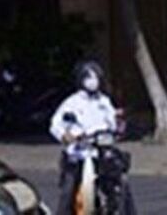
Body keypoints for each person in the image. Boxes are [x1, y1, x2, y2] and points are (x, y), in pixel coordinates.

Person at [49, 59, 122, 215]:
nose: (93, 81)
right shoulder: (72, 102)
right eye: (89, 77)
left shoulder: (104, 101)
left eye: (96, 77)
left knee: (120, 183)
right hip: (79, 153)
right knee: (68, 191)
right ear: (81, 80)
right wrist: (65, 135)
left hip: (100, 152)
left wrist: (117, 126)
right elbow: (56, 124)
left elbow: (113, 122)